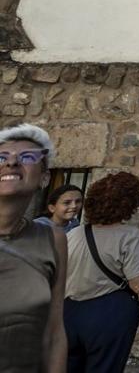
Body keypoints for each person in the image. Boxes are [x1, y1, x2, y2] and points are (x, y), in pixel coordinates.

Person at [64, 172, 139, 373]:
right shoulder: (128, 235)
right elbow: (138, 284)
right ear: (129, 203)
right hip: (108, 314)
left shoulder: (74, 234)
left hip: (69, 313)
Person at [0, 123, 67, 373]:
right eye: (2, 157)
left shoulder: (54, 239)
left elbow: (55, 330)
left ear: (44, 177)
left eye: (27, 157)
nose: (12, 163)